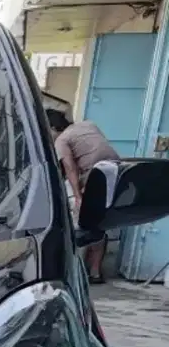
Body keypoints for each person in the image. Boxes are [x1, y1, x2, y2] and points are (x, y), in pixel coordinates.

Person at [46, 109, 120, 284]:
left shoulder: (62, 140)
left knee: (81, 226)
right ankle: (95, 272)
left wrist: (78, 196)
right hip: (116, 171)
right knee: (99, 226)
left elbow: (70, 168)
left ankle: (75, 274)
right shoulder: (88, 124)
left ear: (52, 127)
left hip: (95, 176)